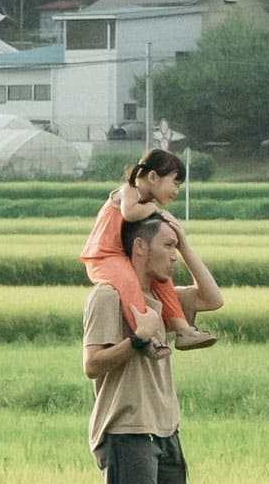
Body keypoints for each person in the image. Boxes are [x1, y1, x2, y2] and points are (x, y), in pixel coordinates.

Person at [65, 205, 223, 484]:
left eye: (175, 247)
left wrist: (185, 244)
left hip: (164, 428)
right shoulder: (107, 297)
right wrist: (138, 339)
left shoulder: (165, 300)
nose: (173, 255)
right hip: (126, 430)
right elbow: (93, 364)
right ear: (139, 247)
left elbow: (212, 298)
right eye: (167, 246)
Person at [82, 146, 217, 349]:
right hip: (104, 256)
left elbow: (214, 300)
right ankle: (147, 339)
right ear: (153, 177)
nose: (176, 191)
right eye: (174, 182)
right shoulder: (129, 190)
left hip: (121, 255)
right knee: (129, 283)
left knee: (164, 283)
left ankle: (183, 329)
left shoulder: (145, 202)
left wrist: (184, 246)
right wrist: (155, 209)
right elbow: (128, 213)